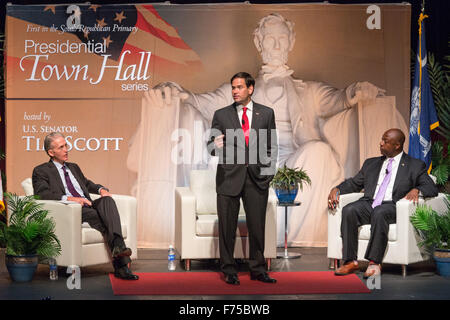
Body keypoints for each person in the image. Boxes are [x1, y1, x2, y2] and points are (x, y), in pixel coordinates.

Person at [129, 12, 408, 248]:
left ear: (291, 42)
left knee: (320, 152)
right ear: (258, 42)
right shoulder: (237, 90)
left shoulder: (308, 90)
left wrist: (356, 91)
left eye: (281, 38)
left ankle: (295, 244)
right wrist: (173, 90)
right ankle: (252, 247)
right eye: (269, 39)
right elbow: (199, 101)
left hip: (293, 160)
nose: (276, 45)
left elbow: (340, 98)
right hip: (251, 160)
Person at [327, 128, 438, 278]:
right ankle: (350, 262)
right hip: (370, 203)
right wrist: (337, 189)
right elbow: (354, 184)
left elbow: (431, 187)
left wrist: (417, 190)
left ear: (397, 145)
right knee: (349, 210)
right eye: (382, 139)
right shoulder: (371, 164)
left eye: (385, 141)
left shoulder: (414, 165)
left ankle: (374, 263)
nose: (381, 143)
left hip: (393, 205)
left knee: (380, 212)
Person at [32, 132, 139, 280]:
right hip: (73, 210)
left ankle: (118, 248)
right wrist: (72, 199)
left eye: (66, 145)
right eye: (61, 147)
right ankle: (121, 264)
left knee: (107, 200)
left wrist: (101, 189)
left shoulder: (73, 167)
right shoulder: (41, 171)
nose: (66, 149)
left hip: (88, 204)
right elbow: (42, 194)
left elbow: (87, 184)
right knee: (100, 217)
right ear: (51, 152)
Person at [208, 72, 277, 285]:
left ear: (250, 88)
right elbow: (210, 147)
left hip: (256, 179)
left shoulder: (266, 114)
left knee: (257, 227)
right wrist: (214, 145)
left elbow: (271, 147)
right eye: (233, 88)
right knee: (227, 228)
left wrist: (267, 176)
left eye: (239, 87)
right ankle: (229, 270)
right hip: (229, 178)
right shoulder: (221, 114)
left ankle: (258, 269)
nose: (235, 91)